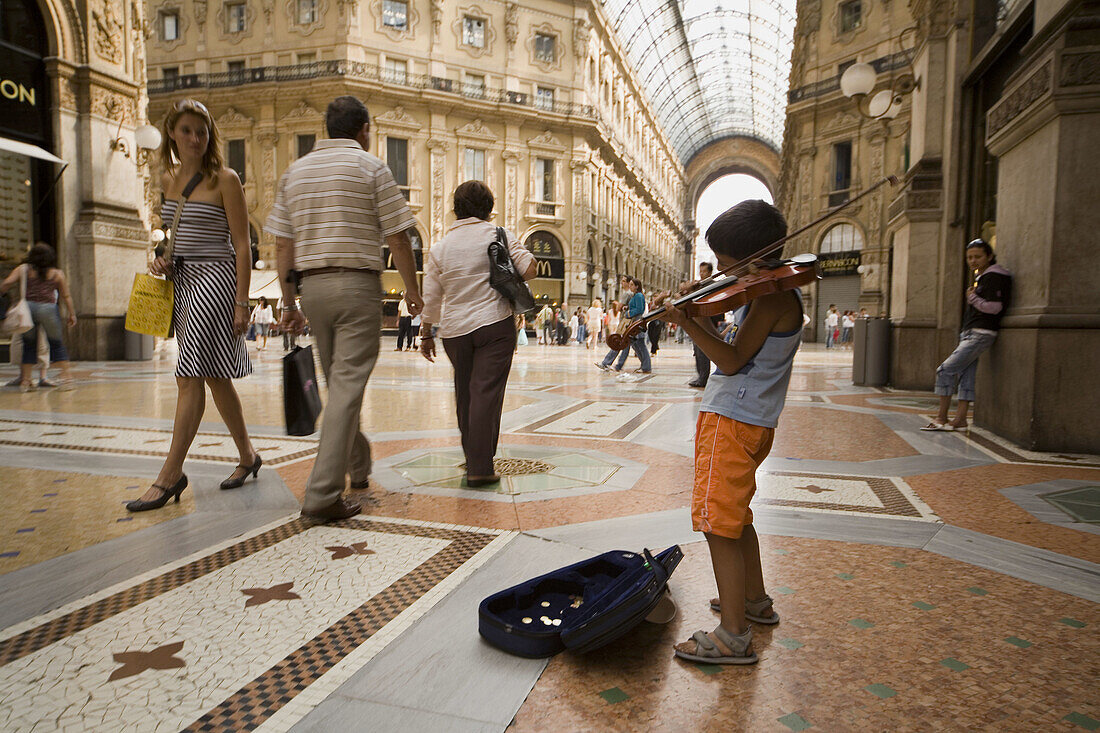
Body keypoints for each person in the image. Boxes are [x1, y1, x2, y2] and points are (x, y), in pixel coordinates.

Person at [656, 199, 798, 665]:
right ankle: (753, 601)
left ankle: (733, 634)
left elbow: (733, 360)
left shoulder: (771, 296)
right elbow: (742, 342)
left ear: (756, 260)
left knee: (717, 522)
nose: (720, 271)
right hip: (754, 421)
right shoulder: (773, 291)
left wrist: (686, 321)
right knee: (738, 517)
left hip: (732, 422)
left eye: (724, 262)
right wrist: (700, 306)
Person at [271, 95, 423, 522]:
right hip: (357, 285)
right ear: (364, 130)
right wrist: (411, 290)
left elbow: (283, 242)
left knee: (340, 381)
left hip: (313, 288)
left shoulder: (295, 172)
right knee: (346, 385)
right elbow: (398, 236)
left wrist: (288, 301)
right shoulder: (372, 167)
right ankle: (321, 494)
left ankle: (359, 465)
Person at [127, 98, 260, 512]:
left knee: (189, 377)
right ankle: (248, 457)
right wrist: (164, 257)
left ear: (210, 136)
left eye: (201, 132)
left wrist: (242, 301)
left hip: (217, 282)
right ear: (172, 133)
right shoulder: (168, 178)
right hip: (183, 282)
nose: (195, 139)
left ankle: (170, 474)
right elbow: (175, 233)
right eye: (186, 131)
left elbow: (242, 245)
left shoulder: (225, 178)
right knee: (218, 378)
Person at [419, 180, 536, 486]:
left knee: (465, 394)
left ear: (456, 208)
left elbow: (431, 296)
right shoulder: (499, 235)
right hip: (494, 324)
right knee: (485, 394)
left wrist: (426, 333)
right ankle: (480, 468)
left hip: (454, 331)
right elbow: (530, 270)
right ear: (488, 207)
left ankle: (474, 459)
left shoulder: (440, 247)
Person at [922, 238, 1012, 432]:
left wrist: (972, 297)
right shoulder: (982, 277)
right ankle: (961, 419)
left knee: (944, 370)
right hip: (972, 331)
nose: (972, 261)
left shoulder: (993, 277)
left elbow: (995, 307)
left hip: (980, 332)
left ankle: (941, 417)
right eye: (969, 257)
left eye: (978, 256)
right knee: (966, 375)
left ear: (989, 256)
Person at [0, 243, 76, 391]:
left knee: (29, 346)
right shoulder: (57, 274)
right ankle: (67, 380)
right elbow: (66, 296)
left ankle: (26, 382)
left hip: (28, 309)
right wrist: (72, 314)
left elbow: (7, 282)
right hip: (48, 309)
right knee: (57, 345)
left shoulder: (24, 270)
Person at [595, 277, 650, 373]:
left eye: (632, 284)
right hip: (633, 323)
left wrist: (628, 313)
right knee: (637, 346)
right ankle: (644, 366)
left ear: (637, 286)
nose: (630, 286)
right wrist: (627, 307)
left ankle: (646, 367)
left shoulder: (639, 296)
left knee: (640, 346)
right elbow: (634, 307)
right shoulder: (635, 295)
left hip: (636, 323)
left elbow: (640, 309)